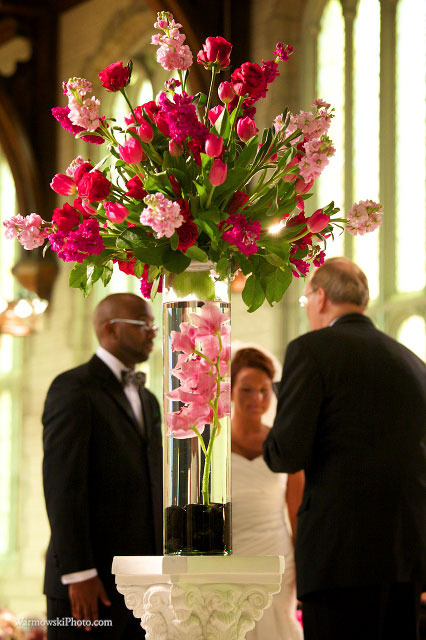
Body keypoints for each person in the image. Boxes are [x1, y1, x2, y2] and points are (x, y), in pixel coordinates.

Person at [263, 257, 426, 640]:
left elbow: (288, 453)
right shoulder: (412, 362)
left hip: (340, 554)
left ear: (319, 298)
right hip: (405, 551)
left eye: (304, 304)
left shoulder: (311, 350)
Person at [42, 293, 162, 639]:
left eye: (153, 324)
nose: (153, 332)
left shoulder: (149, 398)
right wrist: (79, 572)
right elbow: (63, 484)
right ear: (111, 330)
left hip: (144, 582)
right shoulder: (73, 388)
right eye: (144, 324)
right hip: (90, 581)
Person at [231, 346, 304, 640]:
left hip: (277, 556)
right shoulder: (212, 445)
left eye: (264, 390)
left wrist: (303, 563)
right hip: (230, 553)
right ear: (231, 389)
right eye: (247, 389)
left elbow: (297, 511)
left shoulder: (284, 444)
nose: (257, 399)